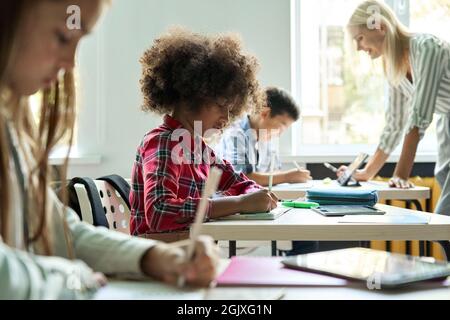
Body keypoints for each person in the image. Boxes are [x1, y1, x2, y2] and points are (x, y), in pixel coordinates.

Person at [0, 0, 219, 299]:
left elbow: (60, 230)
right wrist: (74, 278)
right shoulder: (165, 143)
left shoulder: (13, 131)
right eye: (63, 37)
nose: (71, 63)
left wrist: (153, 257)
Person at [129, 28, 279, 236]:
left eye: (231, 111)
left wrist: (256, 196)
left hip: (191, 254)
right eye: (221, 107)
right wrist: (238, 203)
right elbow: (159, 212)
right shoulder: (163, 142)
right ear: (192, 96)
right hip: (161, 258)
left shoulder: (199, 149)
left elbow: (241, 183)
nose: (227, 119)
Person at [340, 0, 450, 219]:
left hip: (442, 118)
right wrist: (367, 172)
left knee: (443, 218)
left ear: (380, 26)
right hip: (446, 119)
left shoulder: (427, 47)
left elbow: (420, 114)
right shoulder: (392, 67)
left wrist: (401, 174)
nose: (358, 47)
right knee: (443, 175)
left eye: (359, 38)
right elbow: (394, 125)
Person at [217, 87, 311, 187]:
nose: (279, 134)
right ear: (265, 113)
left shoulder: (265, 137)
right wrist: (287, 177)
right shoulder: (235, 134)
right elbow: (241, 178)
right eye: (281, 125)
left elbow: (275, 171)